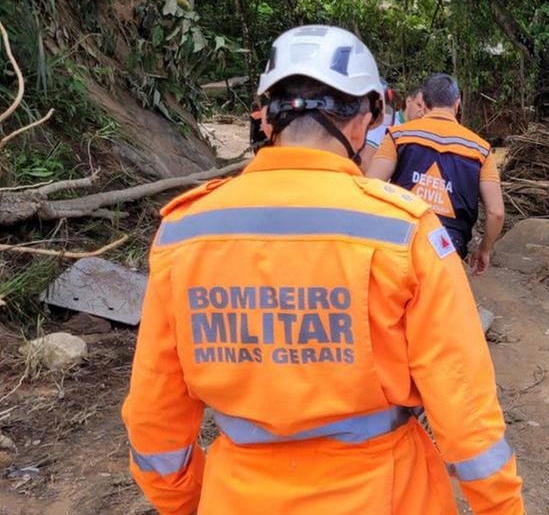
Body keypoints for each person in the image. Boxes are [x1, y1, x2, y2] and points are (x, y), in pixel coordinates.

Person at [121, 25, 524, 515]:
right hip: (388, 494)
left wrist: (190, 502)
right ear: (363, 122)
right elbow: (465, 412)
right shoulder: (405, 233)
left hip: (239, 495)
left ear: (266, 120)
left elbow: (154, 418)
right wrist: (501, 507)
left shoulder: (183, 233)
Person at [366, 73, 504, 275]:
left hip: (400, 243)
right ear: (457, 103)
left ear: (423, 103)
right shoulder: (480, 149)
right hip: (449, 250)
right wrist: (484, 249)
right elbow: (496, 213)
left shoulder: (398, 136)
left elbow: (371, 185)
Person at [360, 83, 423, 164]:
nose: (422, 112)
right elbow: (365, 160)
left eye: (425, 109)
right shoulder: (387, 122)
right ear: (408, 101)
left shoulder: (420, 132)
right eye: (419, 105)